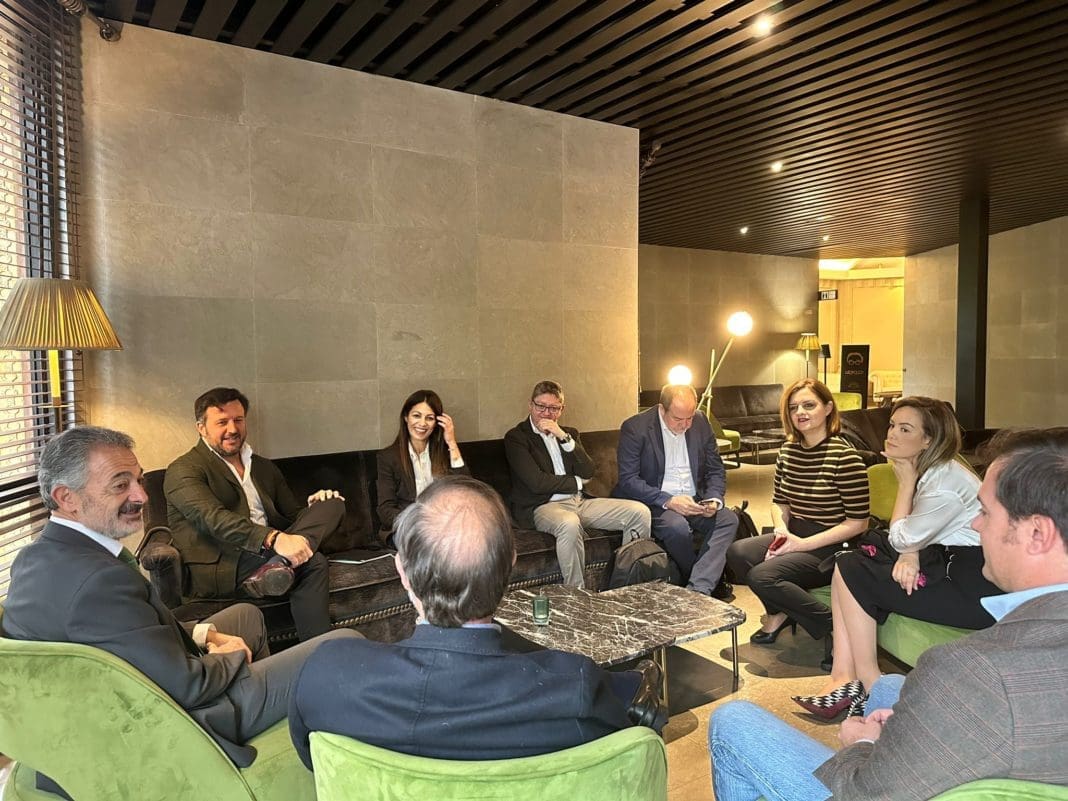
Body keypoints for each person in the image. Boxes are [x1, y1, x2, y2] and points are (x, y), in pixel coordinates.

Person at [708, 427, 1068, 801]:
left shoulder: (968, 670)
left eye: (986, 512)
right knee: (887, 687)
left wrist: (861, 746)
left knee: (732, 722)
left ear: (1037, 534)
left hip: (871, 790)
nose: (976, 524)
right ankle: (856, 683)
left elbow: (862, 794)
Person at [2, 426, 359, 790]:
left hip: (136, 690)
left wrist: (205, 635)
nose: (141, 496)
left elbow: (124, 634)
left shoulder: (34, 557)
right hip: (182, 722)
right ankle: (269, 735)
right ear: (67, 498)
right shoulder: (98, 581)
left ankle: (271, 711)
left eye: (139, 480)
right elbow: (188, 684)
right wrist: (231, 657)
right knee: (344, 646)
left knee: (246, 616)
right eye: (120, 485)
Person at [288, 475, 664, 769]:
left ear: (401, 571)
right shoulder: (576, 686)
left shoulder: (324, 673)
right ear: (510, 565)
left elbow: (312, 764)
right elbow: (637, 720)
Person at [794, 396, 1003, 718]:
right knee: (848, 562)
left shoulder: (943, 484)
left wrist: (905, 486)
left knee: (851, 567)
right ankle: (843, 678)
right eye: (892, 425)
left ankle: (868, 683)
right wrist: (911, 554)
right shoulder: (934, 471)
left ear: (928, 439)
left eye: (905, 429)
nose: (891, 434)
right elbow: (915, 537)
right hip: (947, 564)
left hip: (971, 588)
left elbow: (904, 536)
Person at [164, 387, 346, 641]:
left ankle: (280, 565)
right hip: (226, 562)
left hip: (268, 555)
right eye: (222, 422)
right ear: (201, 428)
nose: (233, 429)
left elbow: (292, 517)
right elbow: (214, 520)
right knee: (313, 562)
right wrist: (273, 539)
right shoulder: (183, 470)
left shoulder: (262, 467)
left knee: (333, 503)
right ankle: (321, 652)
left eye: (238, 420)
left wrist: (313, 508)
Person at [725, 378, 869, 660]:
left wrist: (801, 545)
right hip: (796, 533)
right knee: (738, 553)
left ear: (828, 408)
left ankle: (834, 625)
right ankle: (779, 613)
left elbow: (858, 523)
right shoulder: (788, 451)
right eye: (793, 408)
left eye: (809, 405)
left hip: (834, 544)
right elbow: (780, 502)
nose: (800, 412)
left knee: (762, 576)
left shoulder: (846, 458)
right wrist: (781, 530)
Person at [504, 380, 651, 588]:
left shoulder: (569, 434)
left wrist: (562, 437)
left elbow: (588, 471)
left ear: (561, 409)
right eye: (541, 407)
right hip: (543, 507)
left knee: (639, 512)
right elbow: (536, 483)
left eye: (553, 408)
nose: (546, 413)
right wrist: (577, 482)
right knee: (569, 523)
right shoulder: (517, 437)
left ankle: (627, 586)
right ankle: (577, 593)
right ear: (530, 405)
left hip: (579, 502)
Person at [613, 384, 738, 598]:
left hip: (695, 499)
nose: (685, 425)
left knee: (728, 519)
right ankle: (701, 584)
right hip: (656, 502)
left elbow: (715, 468)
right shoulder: (636, 427)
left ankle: (698, 590)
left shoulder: (701, 421)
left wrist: (713, 498)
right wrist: (669, 501)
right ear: (662, 409)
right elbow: (628, 479)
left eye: (690, 417)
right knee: (676, 527)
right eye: (678, 419)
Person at [376, 389, 470, 544]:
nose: (422, 423)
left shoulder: (444, 454)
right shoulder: (388, 457)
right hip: (407, 529)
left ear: (437, 423)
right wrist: (419, 524)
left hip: (444, 526)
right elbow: (385, 510)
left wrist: (451, 442)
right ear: (406, 417)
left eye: (429, 418)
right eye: (416, 415)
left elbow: (466, 490)